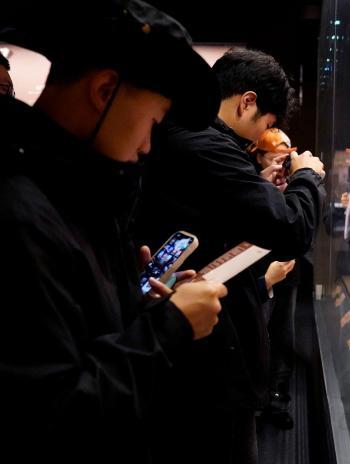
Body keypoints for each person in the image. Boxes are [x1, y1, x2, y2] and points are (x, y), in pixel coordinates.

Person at [0, 1, 227, 463]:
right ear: (105, 91)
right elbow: (51, 417)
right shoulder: (18, 212)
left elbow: (80, 335)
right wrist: (168, 329)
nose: (146, 146)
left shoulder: (76, 193)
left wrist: (137, 306)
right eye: (152, 122)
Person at [135, 47, 325, 463]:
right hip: (206, 364)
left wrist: (257, 187)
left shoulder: (192, 139)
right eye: (266, 125)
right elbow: (292, 229)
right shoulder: (205, 144)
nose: (260, 138)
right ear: (247, 102)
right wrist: (307, 178)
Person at [248, 128, 303, 429]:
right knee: (257, 333)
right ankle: (256, 403)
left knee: (283, 334)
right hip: (257, 269)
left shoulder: (296, 179)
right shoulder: (248, 181)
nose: (280, 164)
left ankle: (279, 400)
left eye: (285, 158)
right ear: (259, 156)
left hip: (288, 266)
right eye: (274, 158)